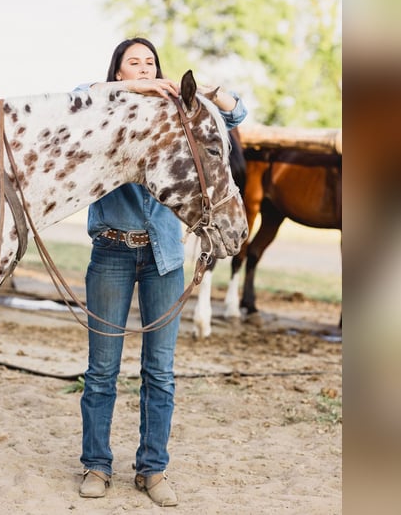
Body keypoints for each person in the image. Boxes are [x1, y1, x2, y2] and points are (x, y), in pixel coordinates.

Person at [75, 37, 247, 506]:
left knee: (160, 372)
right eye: (134, 62)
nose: (144, 67)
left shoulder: (177, 114)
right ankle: (96, 464)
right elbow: (76, 95)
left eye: (150, 61)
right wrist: (119, 91)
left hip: (165, 256)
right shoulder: (100, 111)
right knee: (102, 370)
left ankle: (152, 470)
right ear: (117, 72)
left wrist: (204, 88)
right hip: (111, 251)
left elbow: (236, 115)